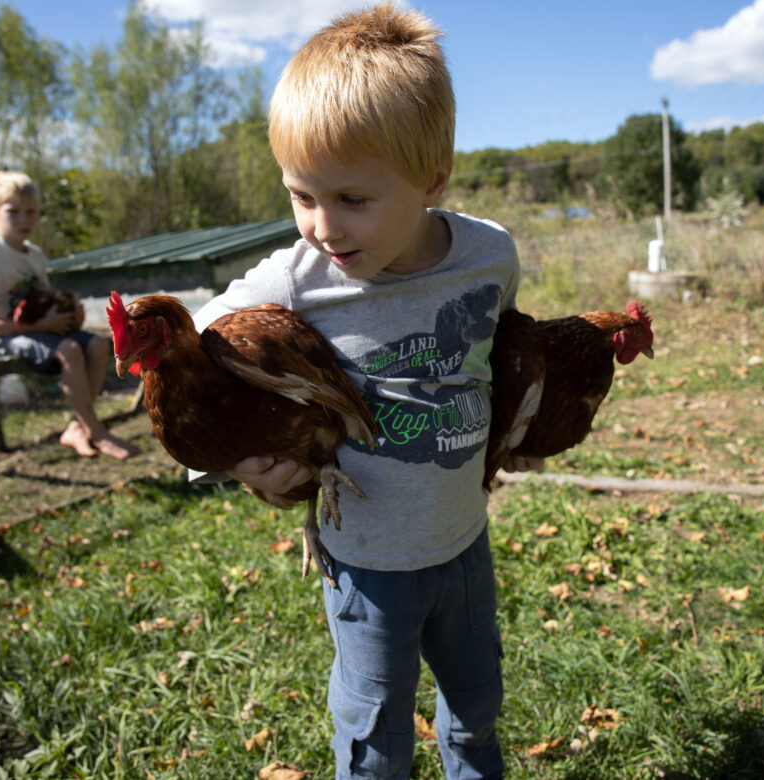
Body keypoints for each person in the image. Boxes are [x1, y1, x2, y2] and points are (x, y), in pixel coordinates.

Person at [191, 5, 540, 777]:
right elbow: (190, 350)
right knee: (376, 733)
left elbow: (501, 346)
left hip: (464, 541)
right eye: (300, 196)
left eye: (352, 200)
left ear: (432, 180)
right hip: (366, 561)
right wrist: (240, 459)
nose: (321, 225)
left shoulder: (488, 256)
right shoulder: (297, 277)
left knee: (477, 706)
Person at [0, 170, 140, 460]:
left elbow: (40, 302)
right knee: (69, 348)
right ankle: (98, 432)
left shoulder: (35, 255)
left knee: (96, 344)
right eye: (13, 212)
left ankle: (77, 428)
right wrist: (44, 324)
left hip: (36, 330)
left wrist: (70, 313)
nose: (24, 220)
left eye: (31, 212)